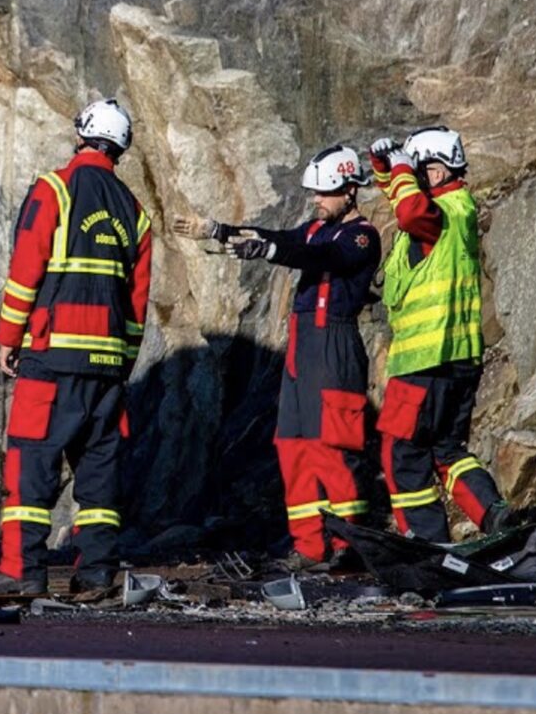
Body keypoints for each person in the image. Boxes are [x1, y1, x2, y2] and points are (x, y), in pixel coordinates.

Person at [0, 99, 153, 596]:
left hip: (52, 358)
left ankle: (22, 571)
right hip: (107, 367)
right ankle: (96, 572)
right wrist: (122, 363)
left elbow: (25, 270)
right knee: (98, 472)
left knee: (31, 462)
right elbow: (136, 303)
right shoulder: (135, 212)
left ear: (81, 136)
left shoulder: (54, 188)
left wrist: (8, 338)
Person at [177, 145, 381, 568]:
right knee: (292, 447)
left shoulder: (361, 237)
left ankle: (349, 546)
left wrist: (269, 252)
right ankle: (309, 546)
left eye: (324, 193)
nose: (316, 200)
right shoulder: (315, 229)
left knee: (332, 449)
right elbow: (280, 238)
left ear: (350, 191)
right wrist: (218, 230)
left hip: (333, 348)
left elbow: (321, 257)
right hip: (302, 352)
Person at [368, 125, 510, 541]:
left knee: (403, 453)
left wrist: (399, 166)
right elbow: (402, 198)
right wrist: (384, 165)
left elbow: (411, 211)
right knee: (448, 452)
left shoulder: (437, 213)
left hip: (424, 362)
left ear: (439, 169)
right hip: (457, 360)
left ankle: (426, 543)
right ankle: (494, 515)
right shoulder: (455, 208)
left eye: (419, 170)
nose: (412, 178)